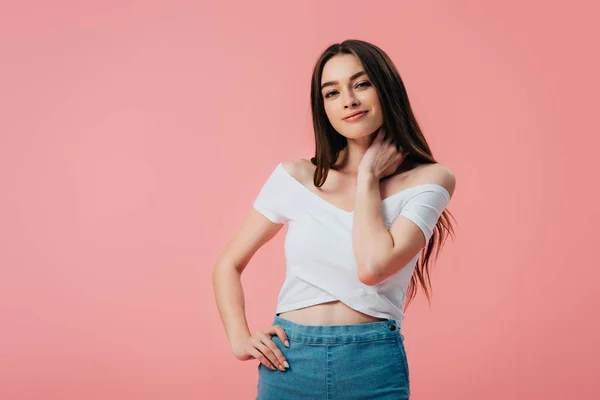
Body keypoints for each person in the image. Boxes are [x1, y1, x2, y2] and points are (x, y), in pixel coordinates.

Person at [212, 39, 457, 399]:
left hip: (372, 365)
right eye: (332, 92)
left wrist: (368, 177)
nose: (349, 100)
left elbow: (373, 267)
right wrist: (240, 338)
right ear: (322, 107)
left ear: (385, 88)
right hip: (289, 361)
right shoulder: (296, 177)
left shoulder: (430, 180)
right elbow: (227, 264)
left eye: (361, 84)